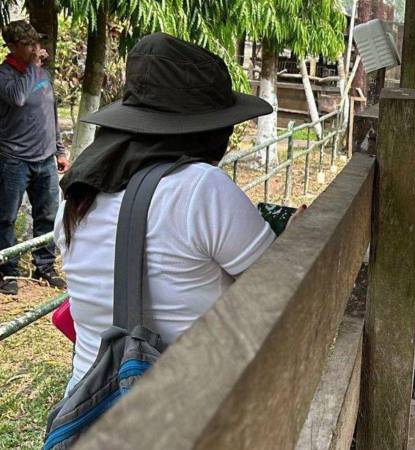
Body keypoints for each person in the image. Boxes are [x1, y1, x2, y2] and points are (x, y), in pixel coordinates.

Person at [54, 33, 278, 392]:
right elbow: (277, 290)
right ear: (206, 129)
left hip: (89, 408)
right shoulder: (200, 189)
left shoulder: (77, 195)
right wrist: (296, 237)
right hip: (183, 410)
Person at [0, 20, 70, 295]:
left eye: (36, 43)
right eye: (28, 44)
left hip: (45, 159)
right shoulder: (5, 75)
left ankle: (45, 266)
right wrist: (33, 66)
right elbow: (17, 98)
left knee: (49, 215)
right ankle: (9, 271)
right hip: (13, 160)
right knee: (5, 217)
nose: (35, 48)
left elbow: (49, 113)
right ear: (13, 47)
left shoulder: (41, 74)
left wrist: (60, 149)